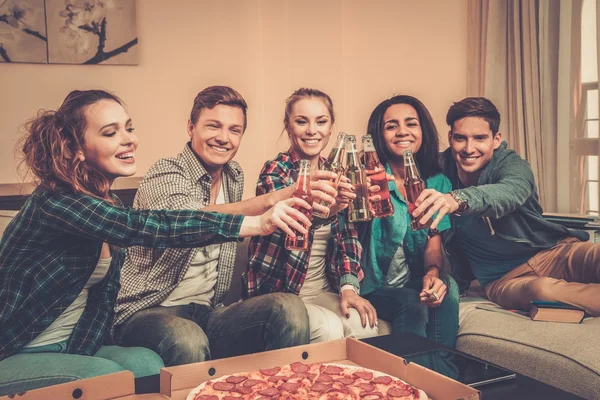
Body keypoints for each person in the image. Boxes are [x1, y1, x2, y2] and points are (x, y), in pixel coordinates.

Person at [0, 90, 311, 395]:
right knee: (109, 376)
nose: (130, 139)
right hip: (18, 348)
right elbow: (148, 225)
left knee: (146, 364)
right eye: (111, 133)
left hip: (77, 343)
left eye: (129, 128)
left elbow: (99, 300)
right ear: (76, 148)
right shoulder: (56, 201)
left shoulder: (107, 203)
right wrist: (255, 220)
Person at [114, 86, 330, 366]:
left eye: (234, 130)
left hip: (208, 312)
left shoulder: (233, 175)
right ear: (191, 127)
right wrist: (275, 199)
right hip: (146, 310)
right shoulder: (166, 171)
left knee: (288, 307)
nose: (223, 138)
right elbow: (190, 221)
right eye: (213, 126)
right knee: (186, 337)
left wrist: (331, 206)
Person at [412, 96, 600, 315]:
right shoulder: (438, 171)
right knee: (542, 290)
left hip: (553, 252)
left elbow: (511, 192)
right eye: (461, 138)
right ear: (450, 137)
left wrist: (457, 199)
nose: (469, 148)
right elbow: (401, 174)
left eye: (480, 138)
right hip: (502, 278)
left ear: (496, 139)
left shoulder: (512, 165)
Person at [246, 88, 379, 343]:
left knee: (365, 327)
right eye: (301, 121)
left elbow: (348, 239)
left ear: (331, 127)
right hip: (280, 293)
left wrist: (349, 288)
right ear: (288, 126)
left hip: (321, 289)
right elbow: (294, 221)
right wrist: (333, 209)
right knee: (328, 330)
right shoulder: (276, 171)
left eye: (321, 121)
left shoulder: (338, 170)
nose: (311, 130)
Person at [358, 95, 459, 349]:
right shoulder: (368, 178)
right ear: (379, 135)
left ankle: (444, 373)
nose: (402, 131)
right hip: (373, 287)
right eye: (391, 126)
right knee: (410, 300)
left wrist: (433, 273)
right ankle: (406, 378)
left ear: (422, 130)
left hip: (412, 280)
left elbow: (433, 242)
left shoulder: (438, 182)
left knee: (447, 285)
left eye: (411, 124)